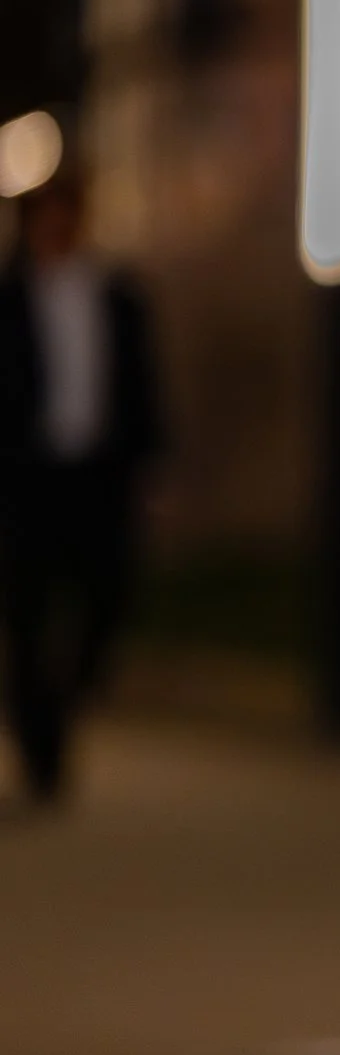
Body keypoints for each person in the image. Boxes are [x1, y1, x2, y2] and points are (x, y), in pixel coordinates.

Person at [0, 166, 163, 805]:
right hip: (27, 478)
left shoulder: (118, 296)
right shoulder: (9, 300)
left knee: (106, 595)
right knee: (28, 615)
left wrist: (153, 459)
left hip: (101, 474)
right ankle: (42, 751)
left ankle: (68, 697)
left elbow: (144, 381)